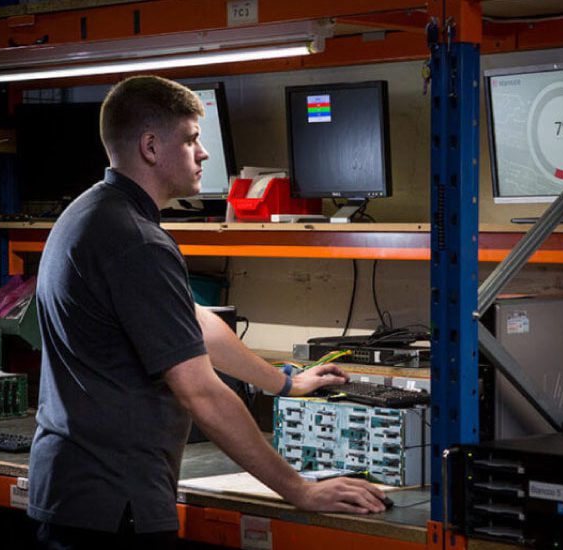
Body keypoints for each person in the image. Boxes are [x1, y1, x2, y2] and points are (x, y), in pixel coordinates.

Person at [27, 75, 386, 549]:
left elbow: (196, 323)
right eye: (192, 138)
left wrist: (285, 384)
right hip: (114, 504)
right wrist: (301, 489)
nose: (204, 153)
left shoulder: (90, 214)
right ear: (151, 147)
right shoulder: (136, 242)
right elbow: (202, 393)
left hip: (75, 489)